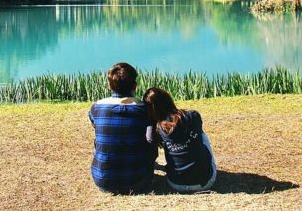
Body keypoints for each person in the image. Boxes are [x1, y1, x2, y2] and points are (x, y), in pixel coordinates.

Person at [88, 62, 157, 194]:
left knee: (101, 138)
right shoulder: (145, 109)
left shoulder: (96, 107)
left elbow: (94, 126)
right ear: (135, 86)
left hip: (103, 181)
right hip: (139, 181)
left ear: (109, 85)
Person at [143, 87, 217, 193]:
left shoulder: (158, 129)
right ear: (168, 99)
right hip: (205, 182)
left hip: (176, 183)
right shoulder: (193, 116)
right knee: (202, 136)